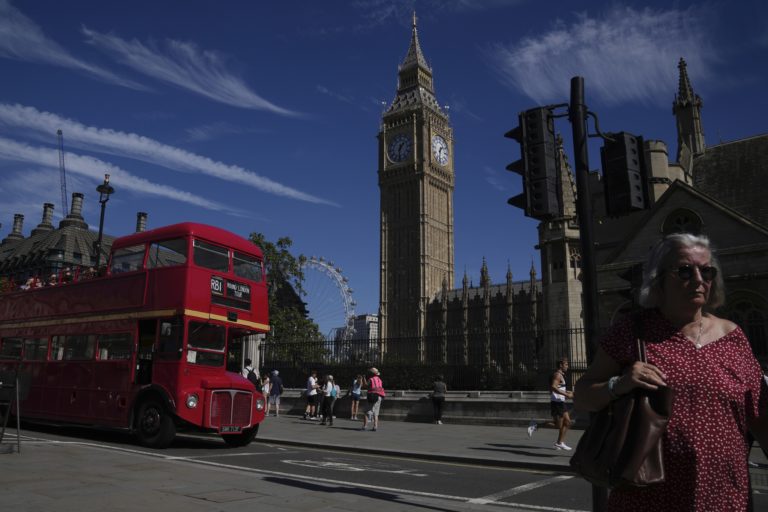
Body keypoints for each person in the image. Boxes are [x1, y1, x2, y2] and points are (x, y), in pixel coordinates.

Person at [574, 233, 768, 511]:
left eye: (707, 271)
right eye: (685, 271)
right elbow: (582, 395)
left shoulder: (734, 337)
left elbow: (759, 414)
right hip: (649, 497)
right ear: (659, 279)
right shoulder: (632, 331)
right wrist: (620, 383)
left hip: (726, 496)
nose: (699, 280)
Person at [549, 357, 573, 450]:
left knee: (566, 423)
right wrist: (566, 395)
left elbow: (559, 387)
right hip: (557, 402)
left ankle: (559, 443)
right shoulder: (558, 375)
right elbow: (553, 387)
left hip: (560, 402)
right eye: (566, 364)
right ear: (560, 365)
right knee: (560, 425)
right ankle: (536, 425)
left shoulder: (561, 375)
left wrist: (568, 392)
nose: (567, 366)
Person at [361, 367, 385, 431]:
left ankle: (365, 426)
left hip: (372, 396)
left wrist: (364, 378)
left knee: (366, 411)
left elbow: (365, 385)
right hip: (379, 396)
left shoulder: (371, 379)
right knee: (376, 412)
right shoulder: (380, 380)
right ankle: (375, 426)